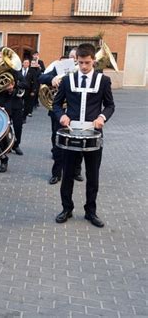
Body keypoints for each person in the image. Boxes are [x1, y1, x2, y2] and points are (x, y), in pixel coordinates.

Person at [53, 43, 115, 228]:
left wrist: (102, 117)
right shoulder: (67, 80)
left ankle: (91, 211)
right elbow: (56, 104)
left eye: (87, 63)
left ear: (94, 61)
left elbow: (110, 105)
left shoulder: (103, 81)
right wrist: (61, 115)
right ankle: (67, 208)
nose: (84, 66)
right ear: (76, 61)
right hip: (71, 133)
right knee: (68, 173)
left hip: (94, 134)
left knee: (93, 175)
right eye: (80, 63)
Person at [39, 50, 83, 185]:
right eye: (71, 57)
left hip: (78, 112)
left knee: (79, 142)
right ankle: (56, 173)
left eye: (76, 58)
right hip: (59, 111)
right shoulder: (57, 65)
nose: (74, 60)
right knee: (58, 141)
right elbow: (41, 78)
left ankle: (76, 171)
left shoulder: (85, 70)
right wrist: (52, 79)